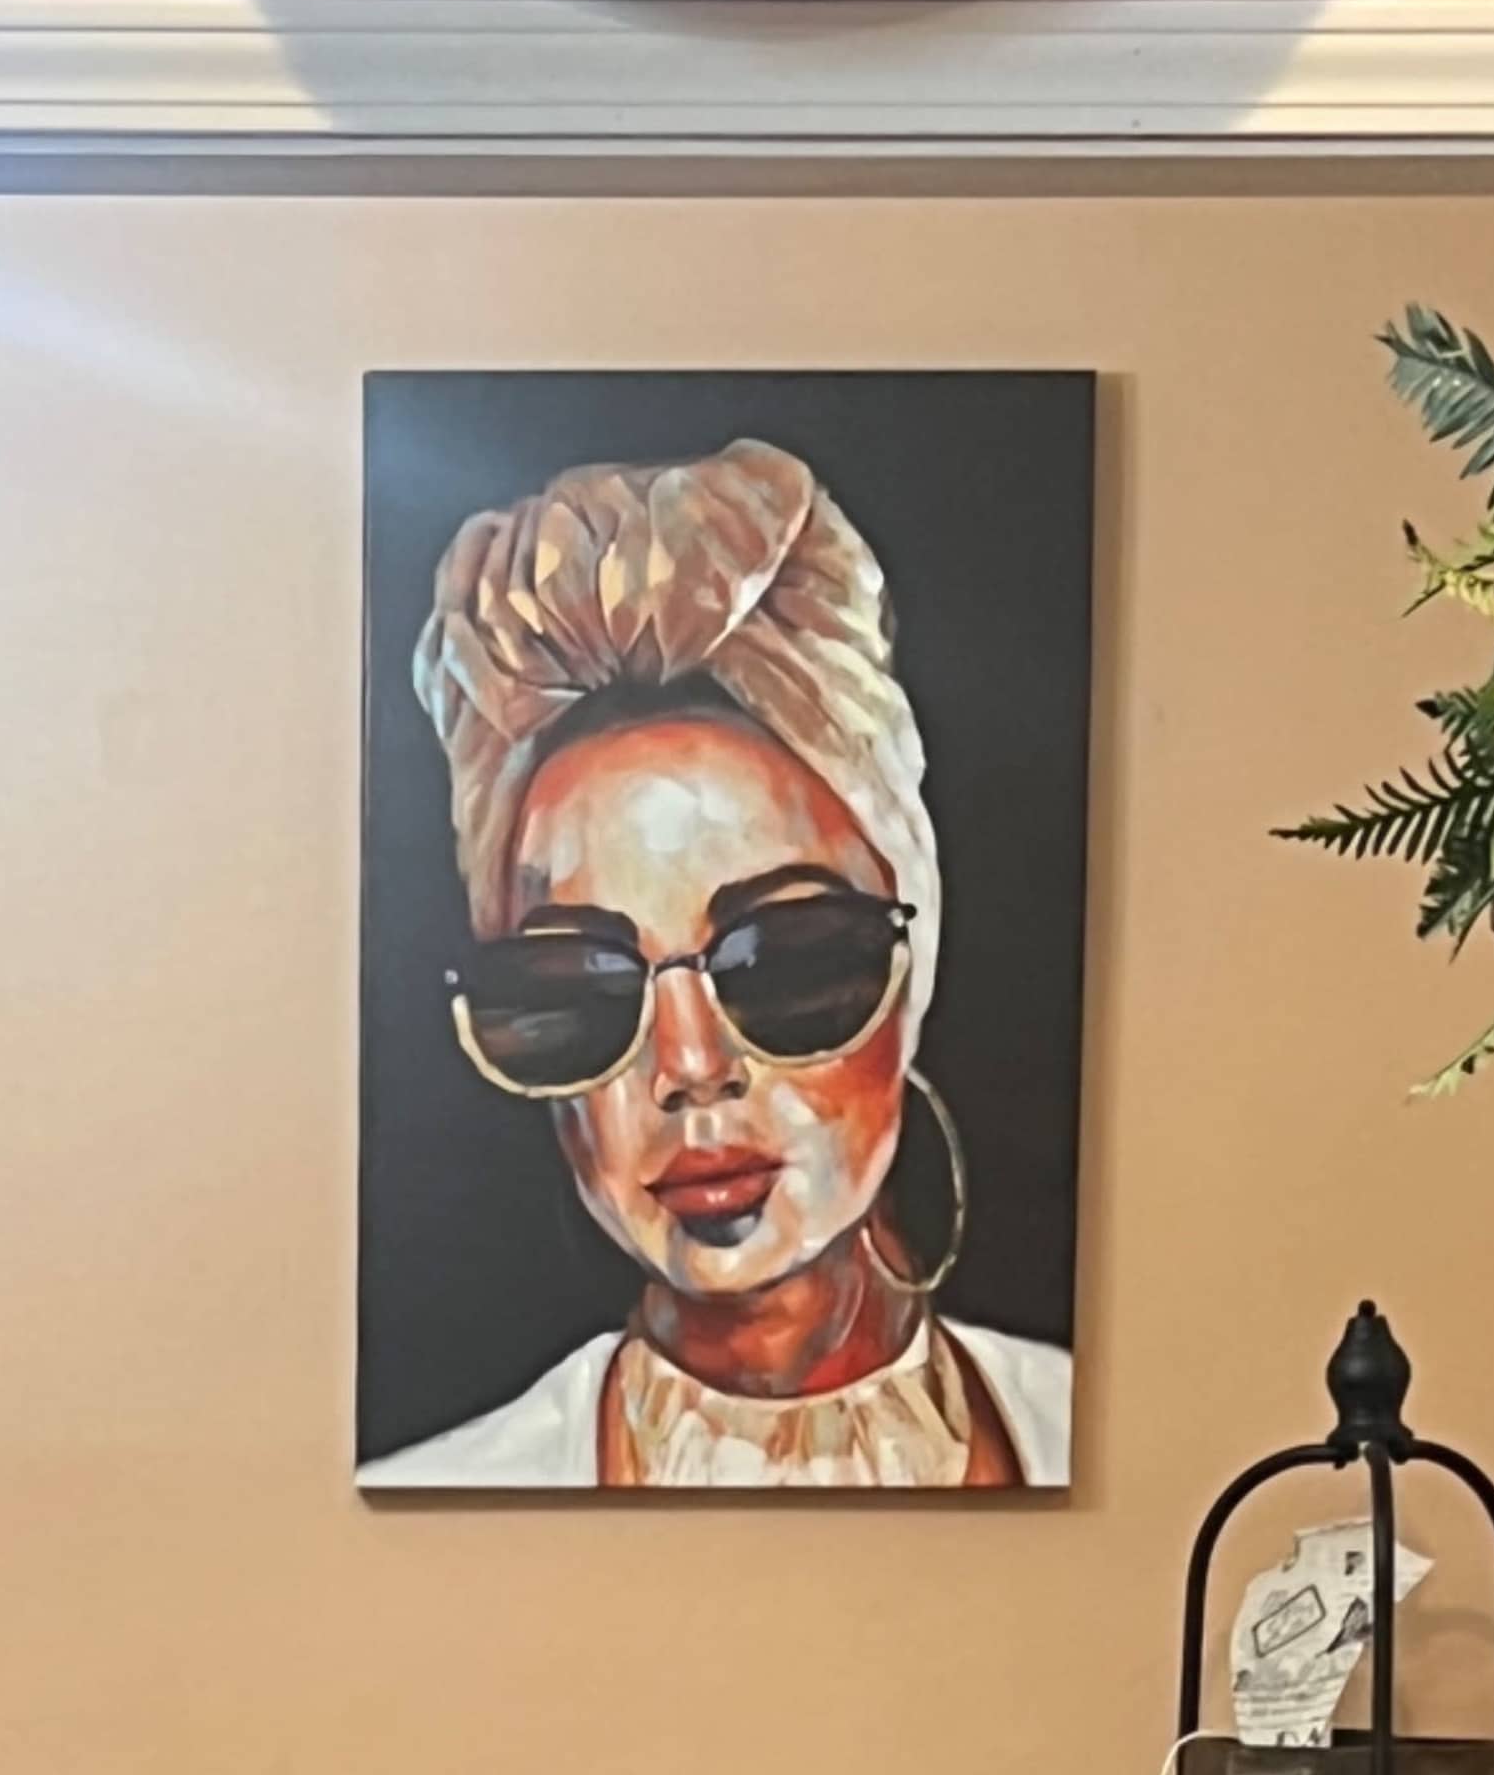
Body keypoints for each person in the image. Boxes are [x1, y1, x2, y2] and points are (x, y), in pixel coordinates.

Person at [366, 438, 1071, 1495]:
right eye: (581, 991)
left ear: (912, 967)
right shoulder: (440, 1489)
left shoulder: (1107, 1440)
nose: (690, 1065)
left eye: (785, 962)